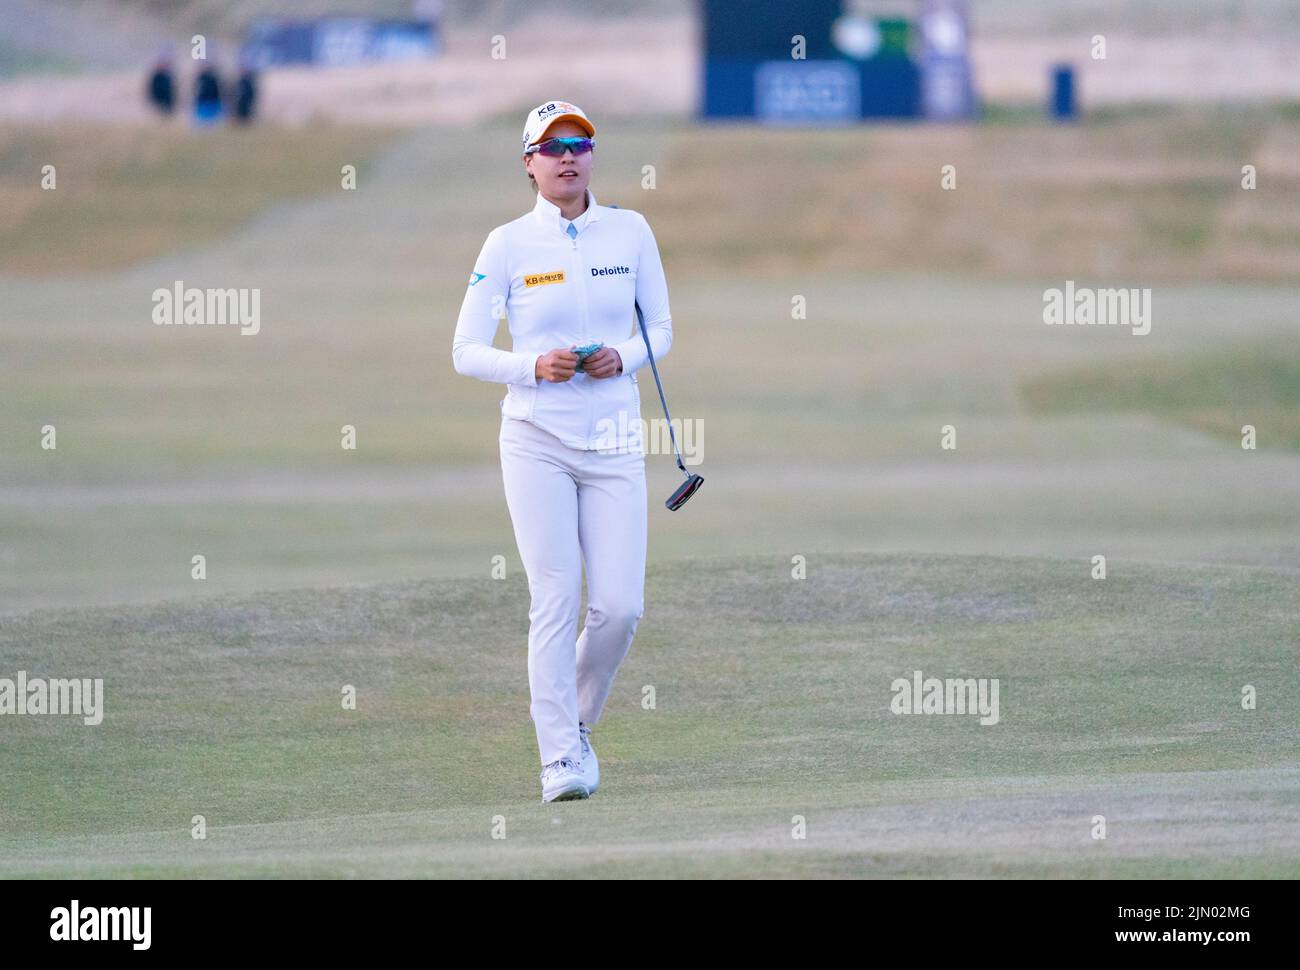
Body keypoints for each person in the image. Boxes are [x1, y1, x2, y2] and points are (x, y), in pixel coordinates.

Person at [452, 100, 673, 802]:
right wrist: (531, 367)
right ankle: (558, 759)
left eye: (578, 143)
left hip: (612, 438)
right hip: (535, 439)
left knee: (619, 606)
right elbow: (464, 351)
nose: (567, 156)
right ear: (529, 163)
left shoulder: (630, 232)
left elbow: (661, 330)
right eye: (551, 149)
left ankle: (575, 726)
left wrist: (625, 357)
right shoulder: (507, 245)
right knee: (555, 597)